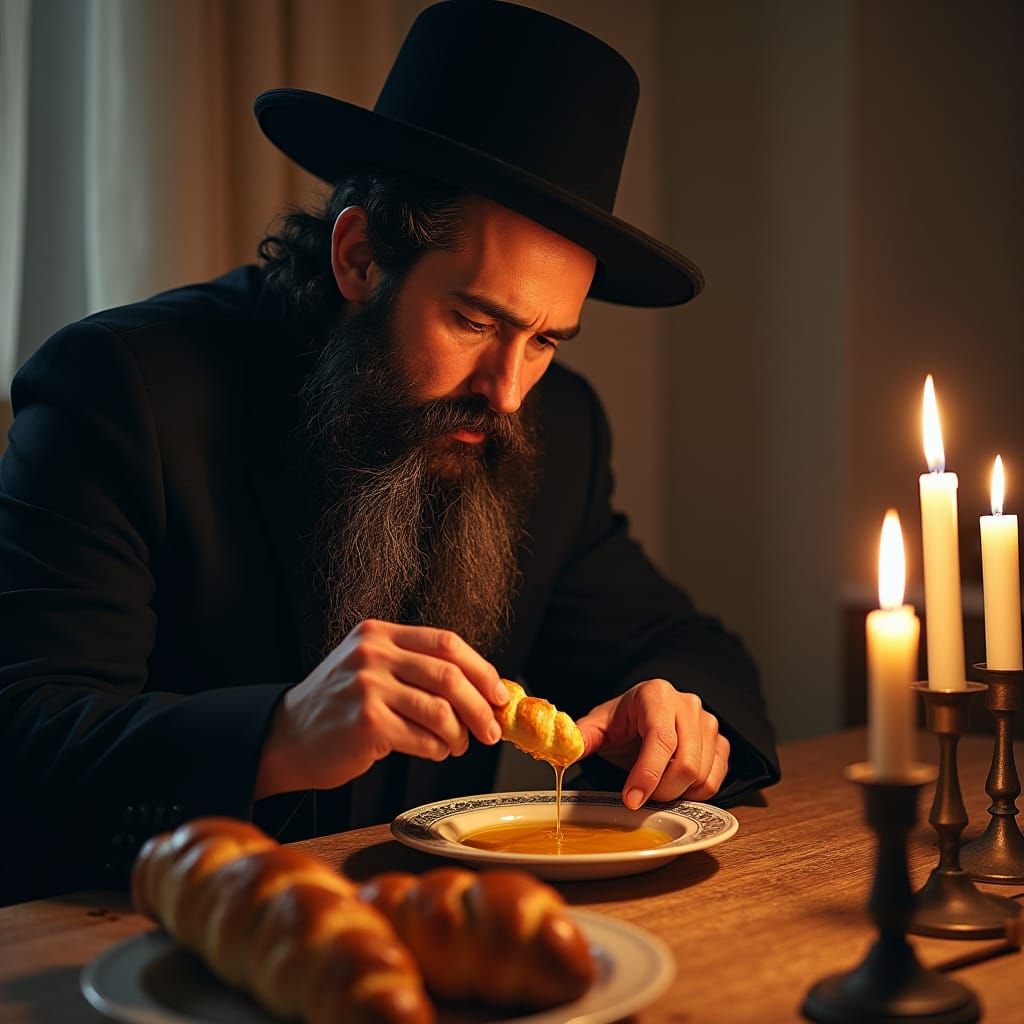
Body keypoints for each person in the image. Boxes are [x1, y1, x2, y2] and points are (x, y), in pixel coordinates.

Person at [0, 0, 779, 905]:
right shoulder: (122, 388)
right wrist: (278, 734)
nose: (508, 391)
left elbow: (686, 648)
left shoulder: (554, 427)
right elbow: (25, 733)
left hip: (434, 935)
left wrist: (677, 710)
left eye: (545, 339)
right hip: (149, 930)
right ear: (361, 256)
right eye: (475, 320)